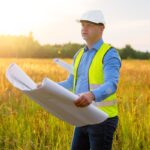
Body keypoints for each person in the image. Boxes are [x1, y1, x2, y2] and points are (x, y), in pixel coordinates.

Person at [58, 10, 121, 150]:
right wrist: (45, 87)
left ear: (101, 28)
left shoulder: (109, 54)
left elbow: (112, 85)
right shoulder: (79, 54)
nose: (84, 28)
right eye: (82, 25)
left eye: (89, 25)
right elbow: (70, 83)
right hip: (82, 117)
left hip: (102, 119)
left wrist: (91, 95)